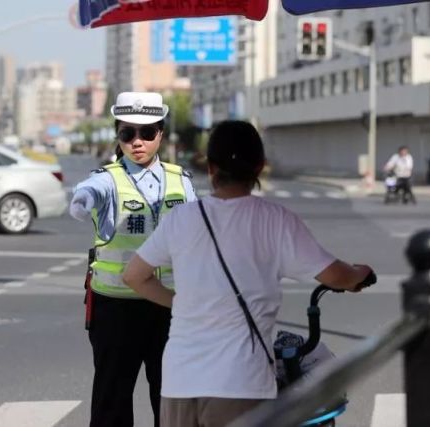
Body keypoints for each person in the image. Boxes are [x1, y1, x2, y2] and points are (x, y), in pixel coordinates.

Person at [122, 120, 374, 427]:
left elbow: (134, 276)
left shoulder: (181, 218)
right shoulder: (275, 220)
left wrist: (181, 303)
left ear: (211, 168)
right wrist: (360, 273)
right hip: (241, 384)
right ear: (260, 168)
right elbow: (337, 276)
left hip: (180, 383)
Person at [69, 91, 197, 427]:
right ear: (118, 135)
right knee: (112, 401)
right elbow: (90, 190)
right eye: (127, 134)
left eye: (146, 133)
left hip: (169, 307)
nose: (136, 142)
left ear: (161, 134)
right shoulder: (108, 179)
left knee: (173, 401)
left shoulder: (182, 182)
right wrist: (82, 199)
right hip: (116, 310)